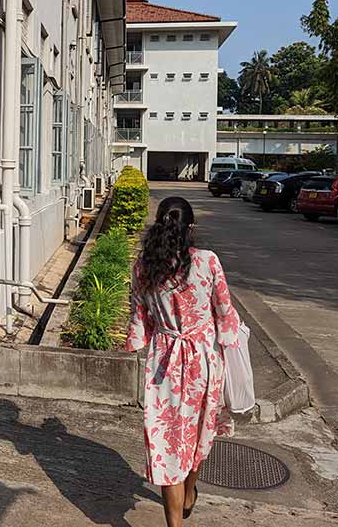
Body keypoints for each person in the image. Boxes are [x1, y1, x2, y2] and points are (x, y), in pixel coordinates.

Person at [126, 196, 241, 526]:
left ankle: (175, 519)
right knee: (197, 434)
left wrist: (136, 344)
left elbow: (139, 322)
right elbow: (225, 314)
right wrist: (230, 342)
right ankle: (189, 494)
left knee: (168, 444)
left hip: (164, 365)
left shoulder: (144, 267)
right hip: (203, 362)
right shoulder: (207, 261)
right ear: (191, 228)